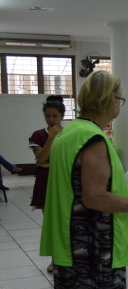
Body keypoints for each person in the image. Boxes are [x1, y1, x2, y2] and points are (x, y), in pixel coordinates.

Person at [39, 71, 128, 289]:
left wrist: (123, 191)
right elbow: (94, 198)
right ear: (109, 100)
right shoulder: (94, 139)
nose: (120, 104)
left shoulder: (70, 133)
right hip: (95, 248)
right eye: (120, 99)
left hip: (73, 243)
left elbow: (79, 184)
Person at [29, 95, 65, 272]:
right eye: (47, 115)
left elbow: (71, 161)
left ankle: (68, 258)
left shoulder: (69, 134)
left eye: (55, 116)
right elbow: (40, 157)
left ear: (62, 116)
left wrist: (48, 163)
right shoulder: (38, 135)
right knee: (51, 222)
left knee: (66, 221)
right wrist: (51, 137)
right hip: (45, 181)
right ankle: (55, 259)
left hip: (64, 180)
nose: (51, 120)